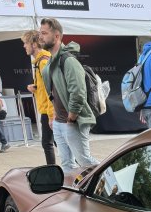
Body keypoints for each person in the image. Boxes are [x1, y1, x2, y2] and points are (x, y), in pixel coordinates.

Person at [39, 17, 98, 172]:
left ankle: (114, 186)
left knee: (86, 162)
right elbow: (54, 93)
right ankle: (73, 194)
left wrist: (70, 119)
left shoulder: (68, 61)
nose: (40, 37)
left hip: (72, 122)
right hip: (59, 123)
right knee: (67, 165)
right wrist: (54, 117)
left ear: (57, 36)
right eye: (40, 33)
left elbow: (78, 93)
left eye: (44, 33)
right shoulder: (52, 62)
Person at [21, 30, 55, 165]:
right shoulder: (40, 61)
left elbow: (52, 90)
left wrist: (52, 115)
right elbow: (44, 87)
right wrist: (35, 88)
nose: (24, 46)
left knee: (48, 144)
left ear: (34, 44)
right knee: (54, 143)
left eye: (26, 43)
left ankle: (53, 174)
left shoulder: (43, 62)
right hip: (47, 110)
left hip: (49, 111)